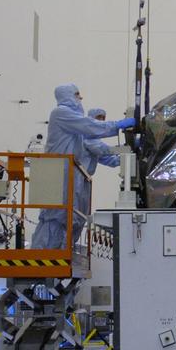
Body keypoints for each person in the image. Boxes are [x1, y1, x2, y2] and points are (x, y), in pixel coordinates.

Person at [31, 85, 134, 249]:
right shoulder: (61, 113)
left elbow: (106, 155)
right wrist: (119, 126)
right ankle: (43, 254)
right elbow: (92, 130)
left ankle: (62, 251)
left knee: (72, 218)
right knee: (54, 216)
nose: (80, 98)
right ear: (67, 95)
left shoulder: (77, 127)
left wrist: (131, 155)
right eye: (77, 94)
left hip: (74, 175)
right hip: (59, 173)